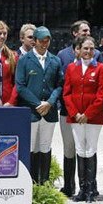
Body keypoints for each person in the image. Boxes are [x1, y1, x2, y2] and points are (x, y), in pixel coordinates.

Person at [57, 20, 103, 198]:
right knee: (79, 150)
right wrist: (75, 113)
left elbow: (101, 94)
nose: (89, 52)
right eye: (85, 48)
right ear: (79, 49)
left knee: (90, 150)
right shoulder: (70, 67)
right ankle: (82, 189)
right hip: (75, 116)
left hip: (93, 117)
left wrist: (88, 114)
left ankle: (91, 188)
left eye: (91, 49)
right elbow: (66, 93)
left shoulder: (101, 68)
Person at [15, 26, 64, 184]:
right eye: (41, 41)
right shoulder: (24, 60)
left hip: (49, 111)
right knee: (30, 146)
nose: (44, 44)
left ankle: (44, 182)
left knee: (45, 145)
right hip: (31, 111)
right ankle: (30, 182)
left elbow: (59, 85)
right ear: (34, 41)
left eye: (47, 40)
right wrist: (38, 104)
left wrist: (50, 102)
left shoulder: (55, 60)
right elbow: (20, 86)